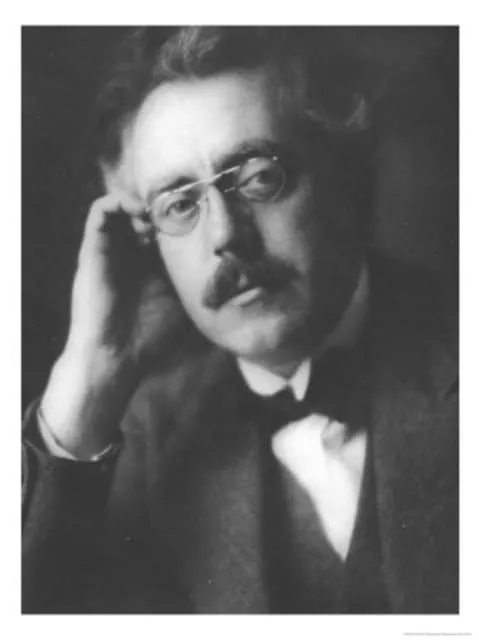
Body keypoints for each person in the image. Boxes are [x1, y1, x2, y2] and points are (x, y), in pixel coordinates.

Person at [22, 26, 458, 614]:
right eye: (180, 203)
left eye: (259, 177)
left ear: (348, 175)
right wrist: (89, 372)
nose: (225, 234)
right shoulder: (145, 441)